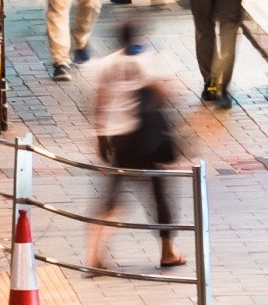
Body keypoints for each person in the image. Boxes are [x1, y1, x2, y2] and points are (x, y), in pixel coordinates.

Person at [80, 17, 190, 275]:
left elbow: (99, 103)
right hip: (143, 139)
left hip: (117, 139)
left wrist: (100, 138)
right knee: (159, 193)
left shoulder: (106, 64)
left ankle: (94, 254)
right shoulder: (147, 60)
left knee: (112, 196)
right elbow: (166, 91)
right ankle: (168, 252)